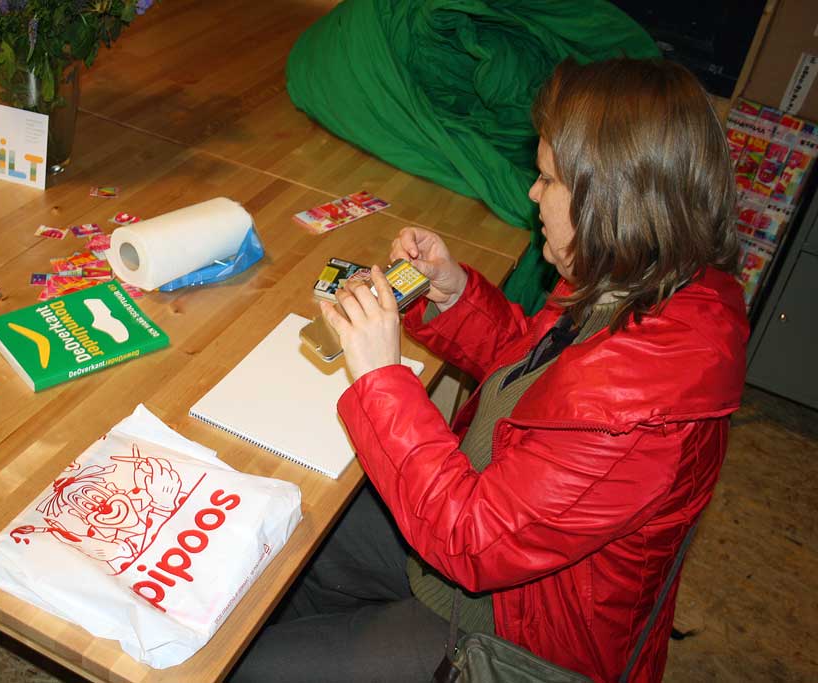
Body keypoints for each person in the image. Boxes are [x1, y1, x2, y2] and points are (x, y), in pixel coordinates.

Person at [230, 57, 748, 683]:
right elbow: (535, 378)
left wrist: (380, 379)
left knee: (254, 665)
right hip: (478, 546)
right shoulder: (637, 284)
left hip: (512, 634)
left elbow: (470, 540)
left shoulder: (638, 407)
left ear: (613, 203)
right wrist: (452, 296)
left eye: (548, 179)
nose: (533, 194)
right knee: (281, 535)